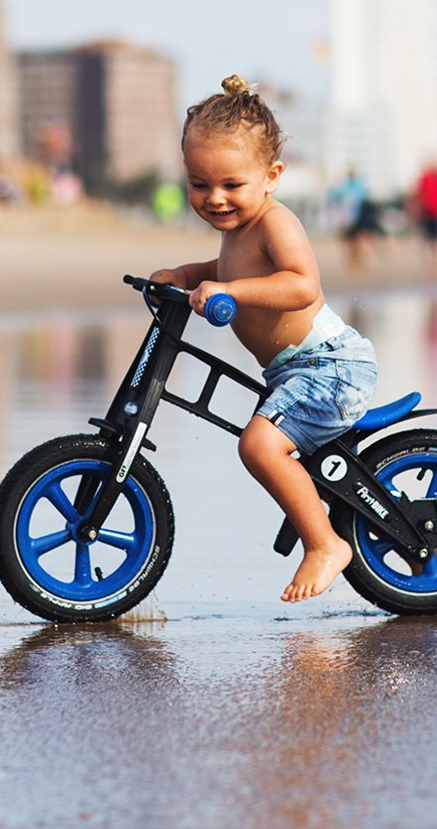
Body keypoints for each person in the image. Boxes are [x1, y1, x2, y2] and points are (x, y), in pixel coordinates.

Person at [148, 76, 404, 603]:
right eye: (199, 184)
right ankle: (428, 549)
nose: (214, 199)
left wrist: (230, 290)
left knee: (260, 444)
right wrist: (185, 274)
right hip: (297, 371)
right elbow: (224, 269)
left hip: (330, 367)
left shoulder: (275, 222)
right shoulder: (236, 232)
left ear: (272, 177)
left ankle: (325, 544)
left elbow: (301, 284)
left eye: (231, 185)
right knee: (307, 458)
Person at [330, 169, 381, 273]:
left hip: (348, 220)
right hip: (357, 219)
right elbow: (365, 200)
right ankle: (362, 262)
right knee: (359, 241)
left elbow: (335, 199)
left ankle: (355, 264)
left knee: (350, 243)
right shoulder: (359, 186)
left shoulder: (344, 187)